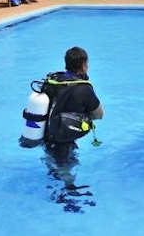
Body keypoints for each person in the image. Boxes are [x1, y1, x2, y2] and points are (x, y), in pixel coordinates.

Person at [43, 47, 104, 190]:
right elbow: (99, 115)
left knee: (53, 165)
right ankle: (68, 192)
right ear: (83, 65)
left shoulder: (53, 81)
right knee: (67, 168)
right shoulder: (84, 88)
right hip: (64, 140)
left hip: (46, 136)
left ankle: (55, 187)